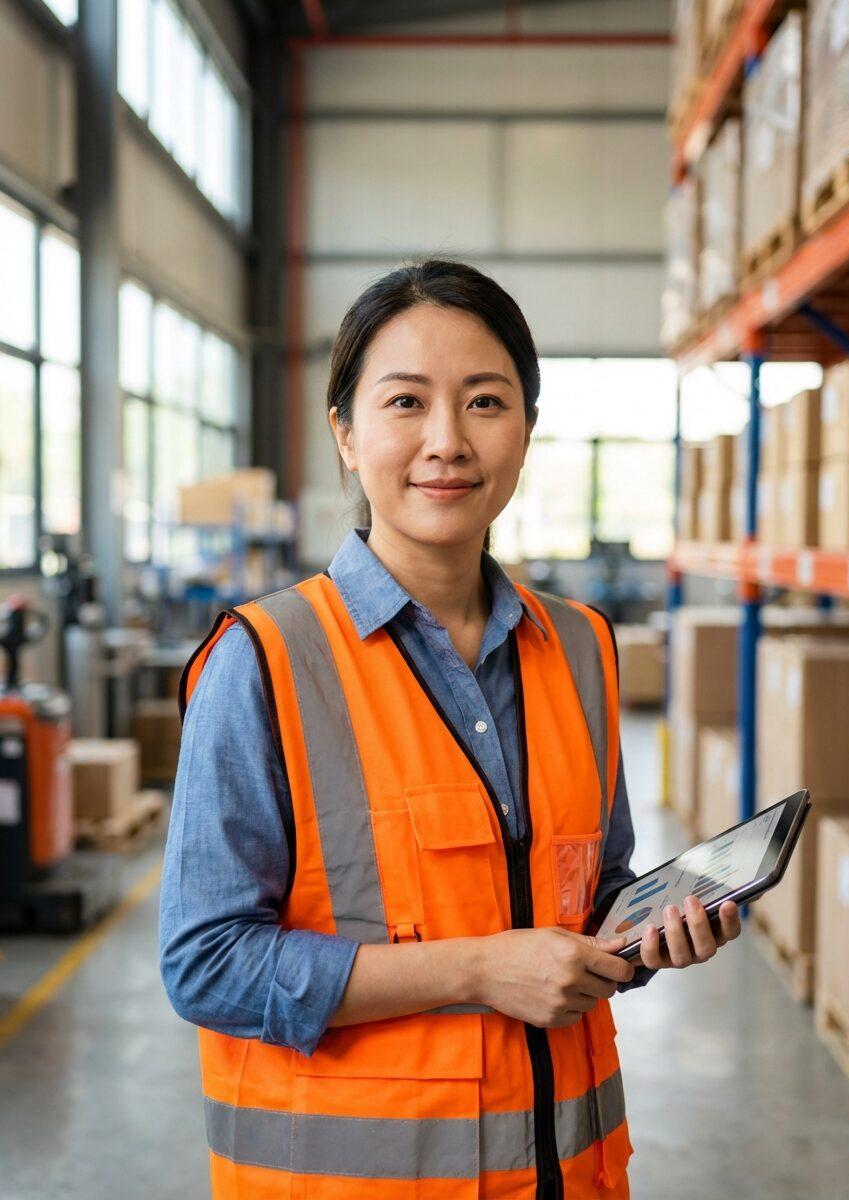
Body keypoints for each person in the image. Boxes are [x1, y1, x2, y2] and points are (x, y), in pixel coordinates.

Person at [159, 259, 741, 1200]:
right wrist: (476, 970)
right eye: (405, 402)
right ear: (346, 434)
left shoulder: (582, 648)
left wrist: (650, 933)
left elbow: (591, 892)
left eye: (484, 402)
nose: (447, 442)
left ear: (526, 430)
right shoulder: (263, 662)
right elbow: (207, 965)